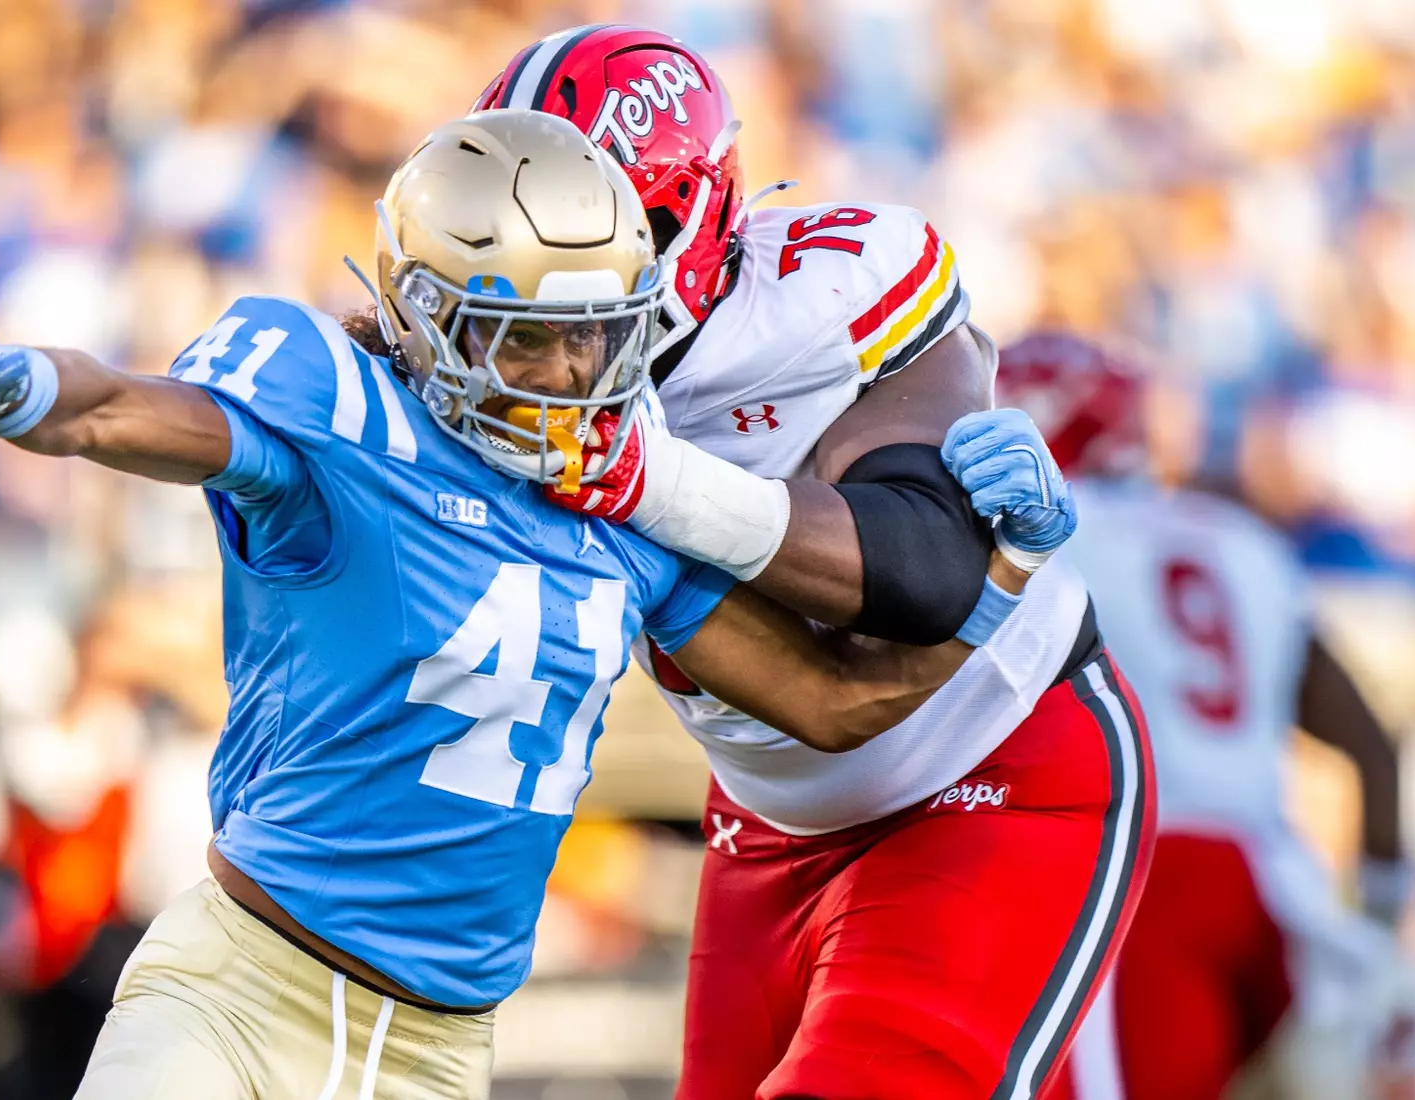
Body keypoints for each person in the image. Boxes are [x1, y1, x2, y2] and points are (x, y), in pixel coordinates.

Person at [0, 109, 1064, 1100]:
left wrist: (1004, 577)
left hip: (438, 1053)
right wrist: (30, 393)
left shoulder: (626, 502)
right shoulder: (344, 412)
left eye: (592, 339)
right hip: (234, 994)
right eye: (521, 337)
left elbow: (839, 702)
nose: (562, 377)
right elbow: (136, 409)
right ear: (430, 315)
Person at [470, 28, 1154, 1098]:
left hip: (986, 772)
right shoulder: (498, 357)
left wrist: (648, 480)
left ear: (675, 222)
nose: (539, 290)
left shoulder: (825, 295)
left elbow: (923, 572)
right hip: (765, 815)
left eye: (579, 239)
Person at [963, 333, 1415, 1100]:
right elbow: (1372, 746)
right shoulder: (1240, 538)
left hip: (1138, 889)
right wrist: (1382, 927)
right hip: (1274, 894)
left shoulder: (1039, 547)